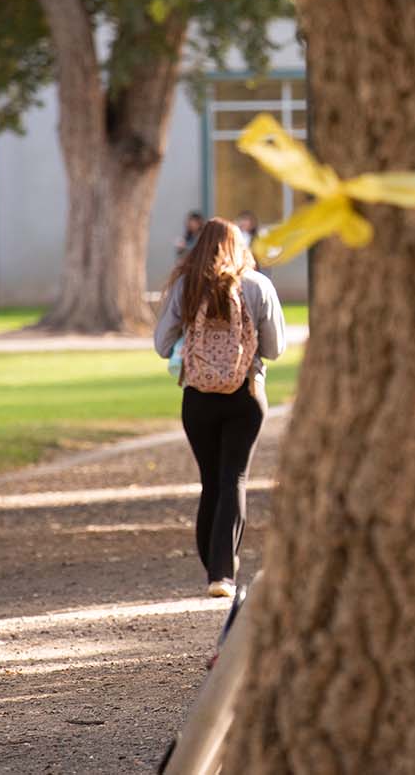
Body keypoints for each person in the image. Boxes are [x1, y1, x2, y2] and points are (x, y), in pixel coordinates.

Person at [153, 218, 287, 598]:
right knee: (235, 479)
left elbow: (163, 344)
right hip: (245, 394)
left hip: (198, 398)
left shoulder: (186, 286)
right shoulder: (259, 285)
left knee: (210, 481)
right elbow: (275, 349)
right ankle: (223, 573)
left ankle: (214, 567)